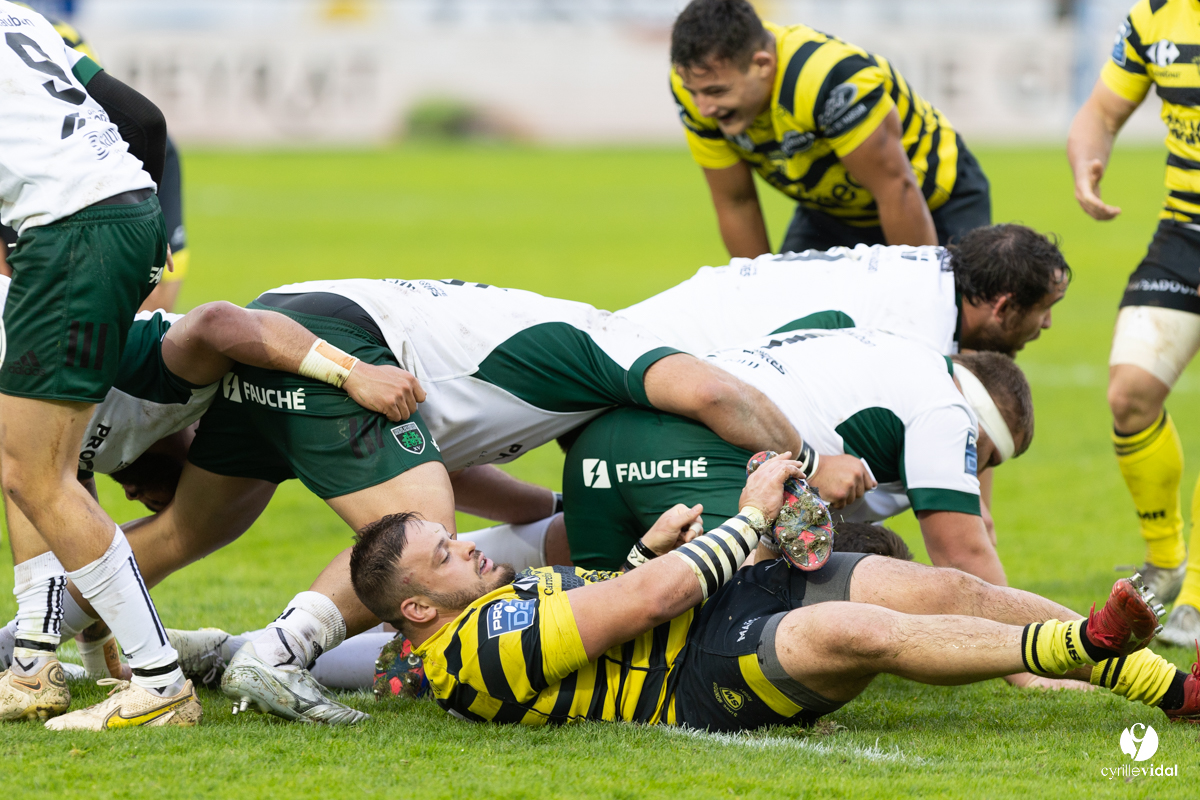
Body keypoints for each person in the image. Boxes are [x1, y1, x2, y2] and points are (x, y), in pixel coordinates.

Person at [48, 277, 836, 725]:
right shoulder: (618, 346)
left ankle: (32, 635)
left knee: (184, 530)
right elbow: (714, 390)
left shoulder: (547, 358)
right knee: (428, 550)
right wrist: (803, 465)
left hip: (291, 331)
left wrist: (547, 510)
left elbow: (453, 460)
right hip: (340, 351)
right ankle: (275, 654)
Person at [346, 459, 1200, 730]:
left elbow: (616, 590)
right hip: (692, 680)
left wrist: (651, 548)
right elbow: (644, 609)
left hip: (712, 607)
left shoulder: (496, 602)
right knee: (855, 628)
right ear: (418, 609)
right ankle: (1085, 647)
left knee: (941, 585)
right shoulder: (477, 650)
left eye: (453, 536)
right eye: (446, 554)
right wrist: (750, 516)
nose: (467, 546)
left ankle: (1170, 687)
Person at [0, 273, 424, 719]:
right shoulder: (166, 378)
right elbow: (217, 320)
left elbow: (73, 547)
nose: (128, 494)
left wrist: (97, 656)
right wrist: (351, 371)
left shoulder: (72, 429)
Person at [0, 0, 204, 730]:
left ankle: (158, 682)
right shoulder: (17, 18)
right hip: (115, 216)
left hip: (65, 234)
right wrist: (146, 246)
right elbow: (142, 118)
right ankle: (31, 664)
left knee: (39, 474)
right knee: (21, 459)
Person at [561, 336, 1028, 588]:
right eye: (982, 458)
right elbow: (960, 551)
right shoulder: (948, 408)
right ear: (982, 426)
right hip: (688, 444)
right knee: (753, 601)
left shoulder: (888, 345)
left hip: (604, 437)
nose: (974, 469)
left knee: (596, 603)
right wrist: (1034, 655)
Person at [1067, 0, 1200, 636]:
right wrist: (1087, 156)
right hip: (1184, 233)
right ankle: (1169, 562)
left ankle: (1198, 594)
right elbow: (1101, 110)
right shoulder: (1156, 13)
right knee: (1131, 395)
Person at [669, 0, 990, 257]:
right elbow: (735, 202)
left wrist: (925, 303)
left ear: (763, 65)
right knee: (789, 332)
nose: (704, 108)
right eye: (694, 92)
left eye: (716, 93)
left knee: (955, 332)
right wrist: (761, 298)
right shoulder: (698, 84)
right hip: (832, 214)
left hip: (932, 199)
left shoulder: (828, 78)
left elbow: (896, 189)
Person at [617, 224, 1069, 358]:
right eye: (1046, 309)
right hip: (672, 344)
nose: (1048, 323)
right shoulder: (918, 339)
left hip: (687, 319)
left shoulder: (930, 271)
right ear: (1005, 306)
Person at [0, 6, 190, 313]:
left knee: (143, 321)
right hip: (46, 177)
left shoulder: (151, 150)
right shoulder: (28, 21)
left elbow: (155, 304)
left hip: (110, 158)